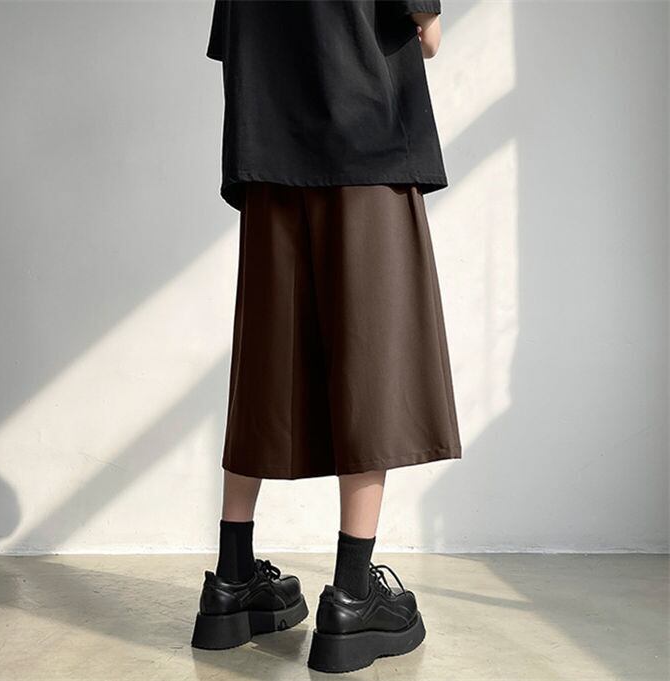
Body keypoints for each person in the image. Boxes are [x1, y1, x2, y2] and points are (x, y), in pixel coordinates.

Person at [190, 0, 462, 673]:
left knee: (265, 363)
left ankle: (231, 580)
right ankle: (352, 593)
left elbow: (233, 42)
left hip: (267, 146)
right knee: (374, 357)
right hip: (364, 138)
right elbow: (426, 34)